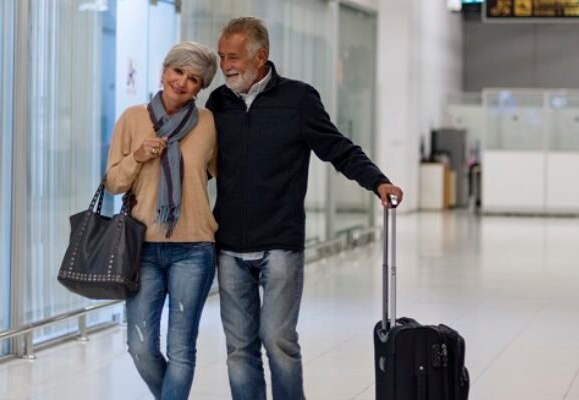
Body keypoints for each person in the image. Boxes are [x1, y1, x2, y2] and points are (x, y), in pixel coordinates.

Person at [206, 17, 405, 400]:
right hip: (229, 245)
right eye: (221, 56)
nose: (225, 65)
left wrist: (377, 181)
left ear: (260, 56)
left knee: (278, 341)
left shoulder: (297, 99)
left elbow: (338, 148)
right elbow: (201, 166)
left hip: (280, 242)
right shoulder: (219, 103)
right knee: (238, 349)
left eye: (233, 57)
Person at [104, 41, 219, 400]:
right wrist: (137, 156)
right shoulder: (133, 118)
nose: (182, 82)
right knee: (140, 346)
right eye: (178, 72)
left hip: (195, 246)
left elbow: (223, 175)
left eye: (193, 78)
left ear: (201, 87)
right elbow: (113, 183)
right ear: (164, 71)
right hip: (143, 247)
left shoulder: (208, 123)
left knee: (182, 348)